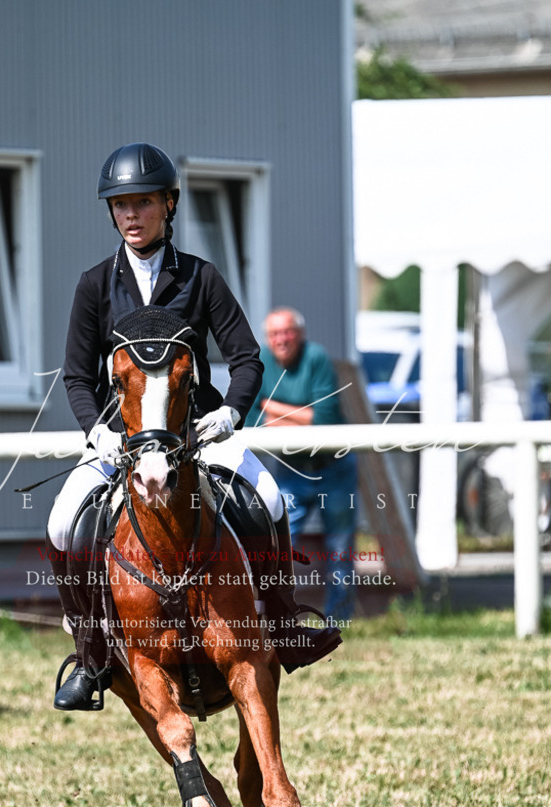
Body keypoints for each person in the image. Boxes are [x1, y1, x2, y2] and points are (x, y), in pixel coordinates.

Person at [48, 144, 340, 710]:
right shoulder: (93, 285)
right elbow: (77, 375)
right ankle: (91, 656)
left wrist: (229, 411)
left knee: (272, 497)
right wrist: (96, 431)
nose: (132, 215)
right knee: (63, 522)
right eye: (121, 205)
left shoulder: (201, 278)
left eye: (143, 203)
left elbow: (248, 358)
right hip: (122, 436)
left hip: (196, 433)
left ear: (168, 204)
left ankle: (282, 625)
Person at [247, 307, 357, 623]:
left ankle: (340, 619)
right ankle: (277, 615)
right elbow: (251, 420)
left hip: (333, 468)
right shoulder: (262, 363)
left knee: (340, 548)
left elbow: (325, 418)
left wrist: (271, 407)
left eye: (288, 332)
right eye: (275, 334)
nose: (282, 339)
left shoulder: (317, 358)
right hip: (290, 470)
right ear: (268, 339)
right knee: (280, 546)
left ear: (300, 334)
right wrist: (300, 415)